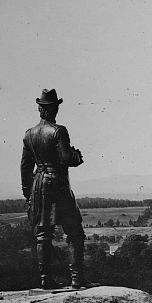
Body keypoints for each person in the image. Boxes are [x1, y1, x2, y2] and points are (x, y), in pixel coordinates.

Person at [20, 88, 95, 289]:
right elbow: (66, 158)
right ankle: (77, 279)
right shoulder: (59, 131)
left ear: (40, 109)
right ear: (53, 108)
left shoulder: (29, 134)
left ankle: (46, 280)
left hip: (38, 185)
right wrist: (77, 156)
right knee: (74, 231)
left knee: (43, 234)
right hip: (58, 184)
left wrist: (28, 194)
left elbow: (25, 167)